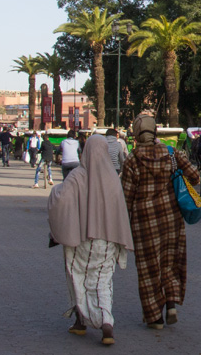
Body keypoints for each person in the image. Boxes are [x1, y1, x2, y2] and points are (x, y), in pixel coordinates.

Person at [48, 135, 134, 346]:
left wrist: (54, 191)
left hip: (82, 240)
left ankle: (82, 320)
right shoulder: (113, 178)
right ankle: (106, 323)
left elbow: (61, 199)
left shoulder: (78, 176)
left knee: (79, 278)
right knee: (102, 282)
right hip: (108, 241)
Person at [120, 115, 200, 329]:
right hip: (171, 219)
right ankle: (171, 304)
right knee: (171, 262)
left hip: (143, 223)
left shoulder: (132, 160)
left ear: (136, 134)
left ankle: (155, 317)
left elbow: (126, 198)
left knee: (148, 268)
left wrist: (122, 231)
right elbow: (195, 176)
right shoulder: (171, 153)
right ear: (155, 131)